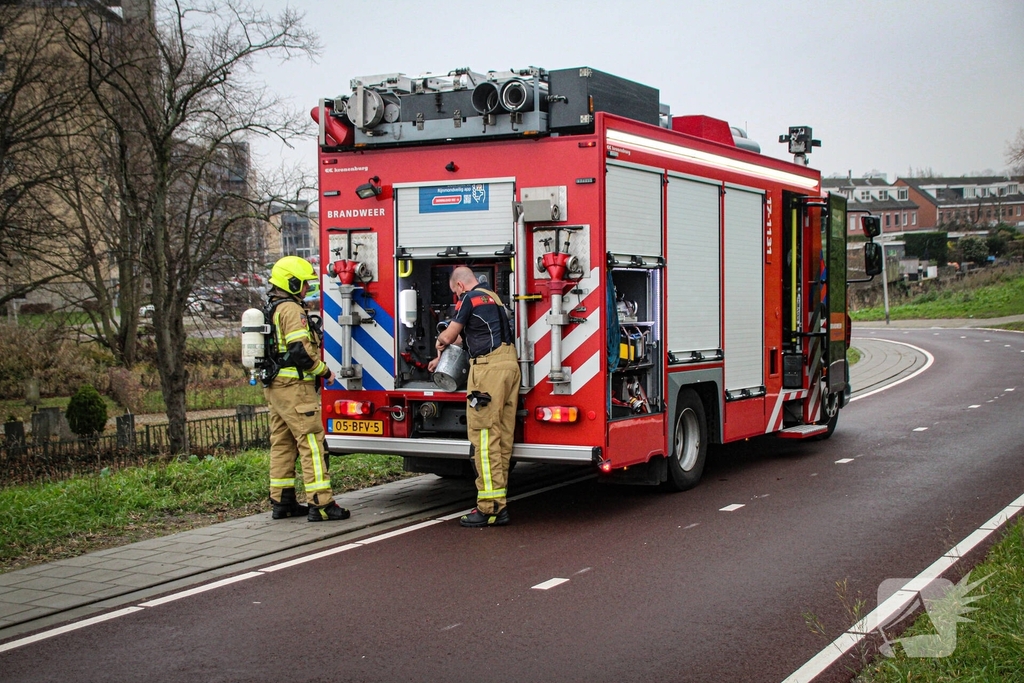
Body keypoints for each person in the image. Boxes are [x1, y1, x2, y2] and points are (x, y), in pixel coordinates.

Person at [429, 266, 520, 527]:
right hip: (510, 366)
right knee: (502, 437)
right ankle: (498, 502)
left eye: (454, 291)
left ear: (459, 286)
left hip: (488, 371)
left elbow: (449, 335)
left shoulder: (468, 299)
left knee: (483, 437)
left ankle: (489, 508)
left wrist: (439, 349)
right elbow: (474, 335)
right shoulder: (493, 297)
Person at [263, 255, 350, 522]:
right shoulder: (291, 309)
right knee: (312, 443)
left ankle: (283, 500)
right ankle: (321, 503)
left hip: (276, 387)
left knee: (282, 442)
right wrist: (323, 371)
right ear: (290, 282)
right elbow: (300, 350)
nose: (307, 290)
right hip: (295, 387)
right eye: (304, 284)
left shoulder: (273, 307)